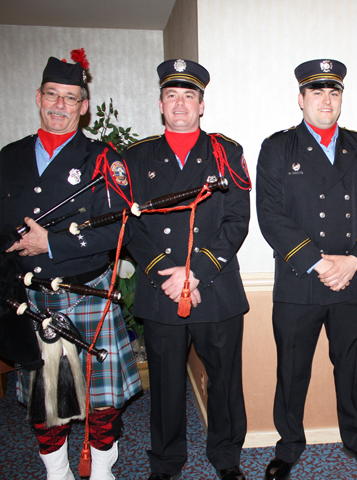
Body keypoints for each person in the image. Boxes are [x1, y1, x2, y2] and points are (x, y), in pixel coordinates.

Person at [0, 53, 142, 480]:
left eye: (70, 98)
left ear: (83, 106)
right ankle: (57, 471)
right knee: (43, 394)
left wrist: (49, 242)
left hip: (87, 290)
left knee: (101, 396)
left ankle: (102, 467)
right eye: (52, 94)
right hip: (31, 296)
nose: (59, 105)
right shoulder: (10, 156)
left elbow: (120, 229)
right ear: (38, 98)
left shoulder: (103, 157)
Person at [256, 59, 357, 480]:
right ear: (301, 99)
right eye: (317, 92)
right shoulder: (278, 148)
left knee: (351, 368)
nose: (326, 100)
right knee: (292, 371)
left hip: (354, 279)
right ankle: (289, 445)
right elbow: (270, 215)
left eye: (334, 92)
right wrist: (317, 262)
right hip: (300, 282)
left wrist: (353, 261)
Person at [124, 59, 251, 480]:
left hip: (213, 287)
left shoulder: (226, 152)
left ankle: (227, 457)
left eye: (189, 96)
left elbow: (237, 220)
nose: (181, 104)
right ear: (161, 104)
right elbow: (130, 225)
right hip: (161, 291)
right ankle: (165, 461)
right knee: (164, 384)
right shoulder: (136, 157)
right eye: (172, 96)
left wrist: (193, 272)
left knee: (225, 381)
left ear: (201, 105)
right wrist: (168, 273)